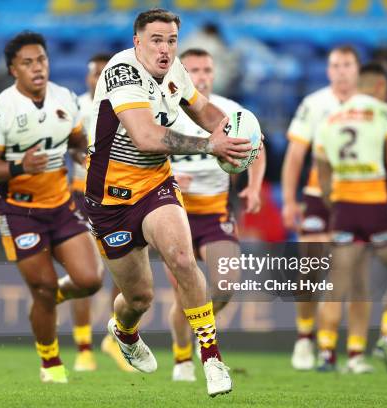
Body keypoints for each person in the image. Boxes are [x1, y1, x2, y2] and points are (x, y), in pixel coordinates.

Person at [84, 9, 253, 397]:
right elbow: (145, 136)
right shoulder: (122, 72)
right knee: (138, 297)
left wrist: (237, 133)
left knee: (181, 257)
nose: (165, 49)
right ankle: (125, 332)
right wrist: (211, 145)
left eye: (171, 40)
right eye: (156, 40)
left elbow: (204, 111)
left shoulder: (174, 70)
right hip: (108, 200)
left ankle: (211, 357)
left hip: (155, 185)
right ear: (137, 42)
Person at [0, 31, 103, 384]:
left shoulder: (66, 98)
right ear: (14, 69)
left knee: (90, 280)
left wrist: (88, 159)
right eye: (27, 63)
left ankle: (47, 298)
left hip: (60, 205)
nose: (37, 68)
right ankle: (51, 363)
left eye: (41, 60)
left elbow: (77, 142)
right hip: (18, 211)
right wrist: (18, 167)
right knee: (41, 289)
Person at [165, 48, 266, 382]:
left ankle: (200, 330)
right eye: (193, 69)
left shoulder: (230, 111)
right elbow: (143, 149)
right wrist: (169, 178)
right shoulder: (164, 110)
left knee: (224, 284)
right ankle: (182, 359)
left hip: (214, 213)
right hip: (170, 213)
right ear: (181, 74)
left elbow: (256, 146)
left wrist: (253, 185)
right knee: (184, 294)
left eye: (207, 69)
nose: (202, 75)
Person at [314, 62, 387, 373]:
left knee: (341, 282)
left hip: (344, 206)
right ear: (382, 87)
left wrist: (336, 204)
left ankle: (329, 353)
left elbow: (322, 171)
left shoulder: (329, 119)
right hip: (376, 205)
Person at [281, 45, 364, 370]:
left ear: (356, 70)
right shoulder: (314, 104)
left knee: (350, 271)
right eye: (335, 65)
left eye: (347, 65)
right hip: (318, 195)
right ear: (328, 71)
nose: (341, 71)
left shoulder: (372, 106)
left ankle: (340, 348)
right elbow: (294, 156)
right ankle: (305, 336)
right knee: (309, 269)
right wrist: (289, 200)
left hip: (357, 197)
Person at [68, 53, 134, 372]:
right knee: (88, 275)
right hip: (82, 194)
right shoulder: (76, 107)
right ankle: (83, 348)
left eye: (102, 74)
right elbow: (69, 144)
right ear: (87, 77)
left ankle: (114, 338)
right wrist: (83, 155)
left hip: (120, 197)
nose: (96, 79)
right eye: (93, 73)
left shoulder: (128, 105)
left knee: (123, 274)